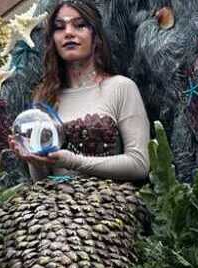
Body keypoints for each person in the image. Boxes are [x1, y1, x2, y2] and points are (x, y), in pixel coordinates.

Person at [9, 0, 150, 182]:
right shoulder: (44, 99)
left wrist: (75, 162)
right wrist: (33, 161)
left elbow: (139, 164)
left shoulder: (121, 88)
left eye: (79, 25)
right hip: (56, 206)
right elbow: (42, 182)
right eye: (60, 27)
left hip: (110, 205)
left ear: (96, 37)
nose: (68, 33)